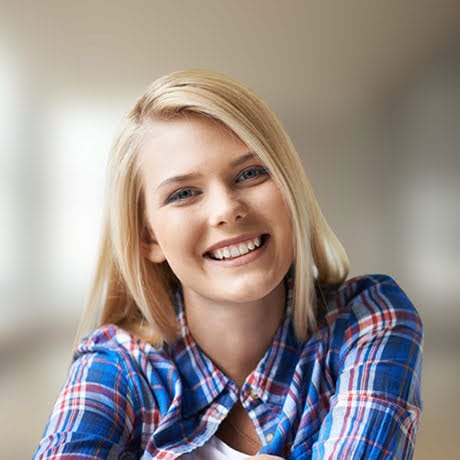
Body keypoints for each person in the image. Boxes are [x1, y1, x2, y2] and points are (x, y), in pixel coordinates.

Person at [34, 70, 423, 459]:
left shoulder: (368, 320)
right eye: (183, 193)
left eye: (251, 173)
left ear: (290, 187)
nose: (226, 210)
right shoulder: (117, 366)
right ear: (148, 238)